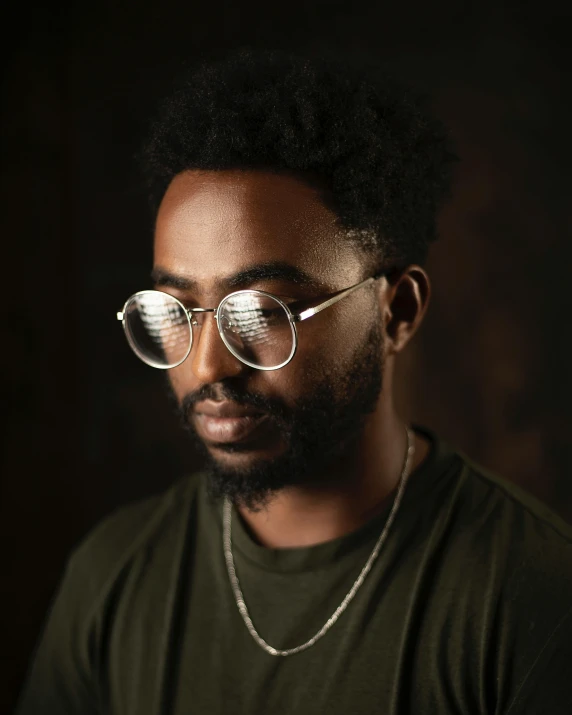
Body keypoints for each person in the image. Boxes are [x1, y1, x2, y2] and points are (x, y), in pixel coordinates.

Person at [16, 50, 572, 715]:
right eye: (177, 311)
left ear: (396, 312)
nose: (208, 366)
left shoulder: (532, 596)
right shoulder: (113, 576)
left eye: (259, 312)